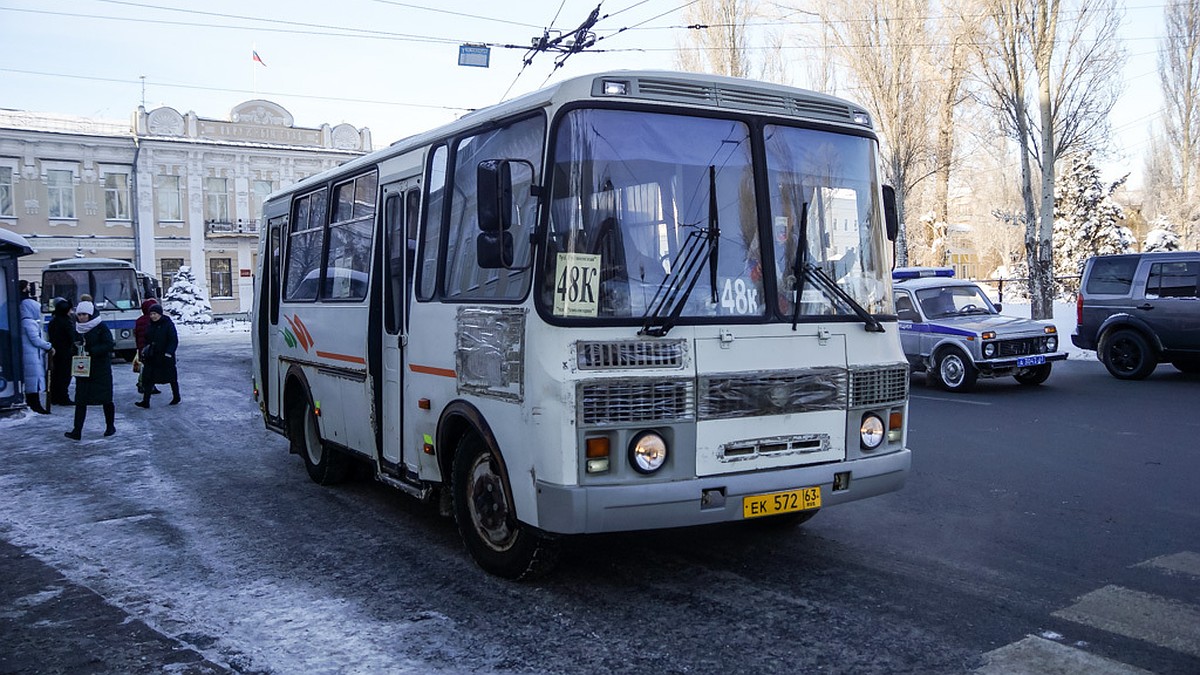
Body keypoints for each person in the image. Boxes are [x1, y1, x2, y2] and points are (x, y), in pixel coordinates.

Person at [66, 300, 116, 439]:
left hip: (100, 368)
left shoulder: (100, 327)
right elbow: (72, 345)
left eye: (85, 314)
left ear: (91, 315)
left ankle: (110, 426)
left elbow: (109, 344)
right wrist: (74, 351)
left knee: (106, 398)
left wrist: (92, 351)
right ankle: (77, 430)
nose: (82, 317)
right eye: (80, 314)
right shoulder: (76, 328)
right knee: (81, 400)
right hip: (83, 368)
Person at [135, 303, 180, 407]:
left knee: (171, 378)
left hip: (165, 357)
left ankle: (176, 397)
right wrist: (145, 350)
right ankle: (146, 401)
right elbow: (146, 338)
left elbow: (173, 340)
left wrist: (169, 352)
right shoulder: (150, 325)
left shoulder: (168, 324)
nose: (153, 316)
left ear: (160, 314)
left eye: (155, 314)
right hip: (152, 356)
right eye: (151, 314)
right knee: (148, 379)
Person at [19, 296, 53, 414]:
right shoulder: (29, 322)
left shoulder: (23, 321)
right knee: (34, 380)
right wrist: (49, 346)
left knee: (31, 380)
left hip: (30, 355)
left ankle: (33, 403)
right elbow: (36, 340)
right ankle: (35, 404)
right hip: (32, 356)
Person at [46, 298, 75, 406]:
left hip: (55, 351)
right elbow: (72, 337)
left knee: (56, 375)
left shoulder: (53, 321)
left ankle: (55, 397)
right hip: (66, 352)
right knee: (65, 375)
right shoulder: (67, 322)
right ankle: (63, 397)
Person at [133, 297, 160, 395]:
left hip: (142, 348)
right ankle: (144, 385)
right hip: (150, 349)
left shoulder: (139, 320)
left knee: (145, 367)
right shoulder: (152, 320)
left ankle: (148, 385)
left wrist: (139, 349)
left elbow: (137, 336)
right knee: (150, 369)